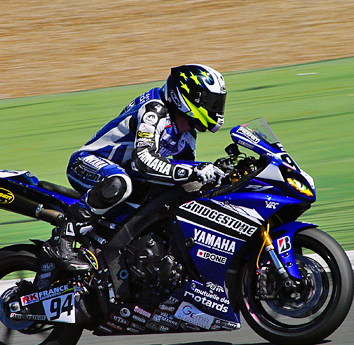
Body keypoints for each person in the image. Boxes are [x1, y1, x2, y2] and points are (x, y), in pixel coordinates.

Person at [39, 64, 227, 278]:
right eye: (210, 101)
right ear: (187, 95)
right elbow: (143, 161)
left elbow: (184, 174)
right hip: (87, 163)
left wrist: (212, 174)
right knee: (120, 183)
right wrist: (192, 172)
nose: (216, 108)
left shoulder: (186, 131)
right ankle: (62, 237)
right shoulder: (154, 110)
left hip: (125, 173)